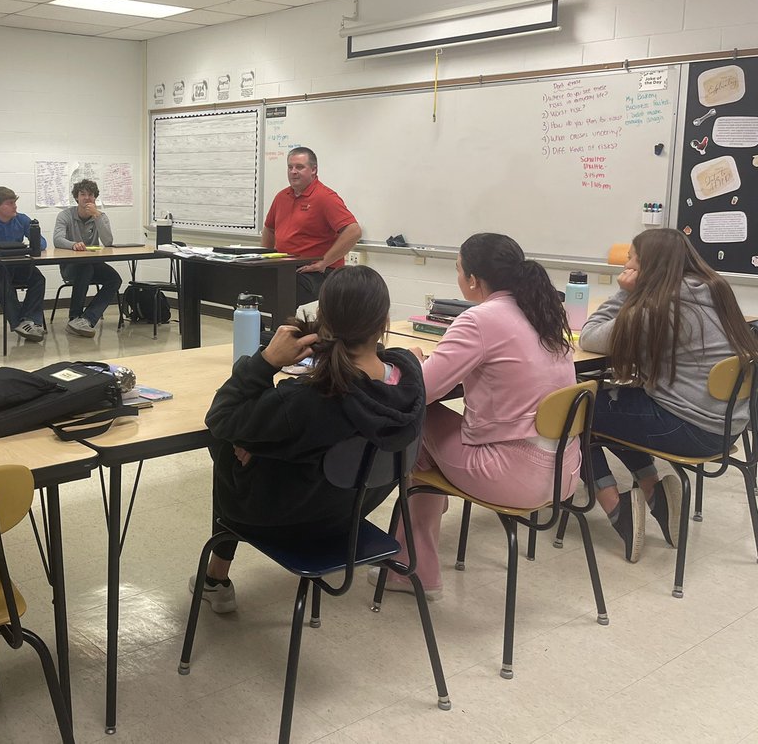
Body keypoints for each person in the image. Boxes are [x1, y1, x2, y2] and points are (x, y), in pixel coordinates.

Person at [193, 265, 425, 613]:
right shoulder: (409, 381)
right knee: (275, 440)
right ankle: (216, 575)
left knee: (226, 442)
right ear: (384, 321)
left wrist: (267, 360)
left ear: (324, 322)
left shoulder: (307, 399)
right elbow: (398, 361)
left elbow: (219, 416)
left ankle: (216, 578)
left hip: (289, 522)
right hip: (351, 513)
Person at [382, 233, 577, 600]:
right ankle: (411, 562)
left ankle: (413, 568)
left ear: (472, 280)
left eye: (458, 269)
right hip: (562, 470)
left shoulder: (480, 320)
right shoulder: (545, 311)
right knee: (424, 453)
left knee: (415, 422)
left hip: (513, 474)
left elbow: (423, 389)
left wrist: (413, 360)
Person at [579, 228, 758, 562]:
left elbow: (590, 337)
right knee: (613, 406)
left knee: (578, 413)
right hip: (726, 428)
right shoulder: (713, 290)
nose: (626, 263)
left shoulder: (659, 309)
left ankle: (618, 509)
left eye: (632, 257)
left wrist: (624, 295)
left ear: (651, 266)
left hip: (687, 428)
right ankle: (654, 493)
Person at [261, 147, 362, 305]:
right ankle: (265, 330)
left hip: (315, 272)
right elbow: (269, 228)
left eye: (299, 167)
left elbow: (353, 231)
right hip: (286, 266)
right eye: (290, 167)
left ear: (314, 170)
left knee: (285, 292)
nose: (293, 171)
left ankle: (290, 328)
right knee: (255, 285)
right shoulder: (281, 197)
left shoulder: (325, 197)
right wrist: (264, 258)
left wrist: (324, 262)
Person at [0, 186, 47, 342]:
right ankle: (19, 323)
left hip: (17, 265)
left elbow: (41, 242)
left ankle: (29, 319)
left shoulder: (22, 219)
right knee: (2, 279)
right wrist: (16, 248)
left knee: (38, 278)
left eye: (14, 202)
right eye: (10, 203)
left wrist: (17, 249)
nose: (15, 206)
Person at [53, 179, 121, 337]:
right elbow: (57, 239)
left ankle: (87, 319)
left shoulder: (100, 216)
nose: (86, 198)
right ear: (76, 198)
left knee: (114, 279)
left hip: (93, 263)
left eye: (90, 195)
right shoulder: (65, 215)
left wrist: (97, 216)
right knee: (85, 268)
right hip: (70, 267)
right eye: (82, 194)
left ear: (95, 198)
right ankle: (74, 316)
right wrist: (73, 245)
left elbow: (108, 241)